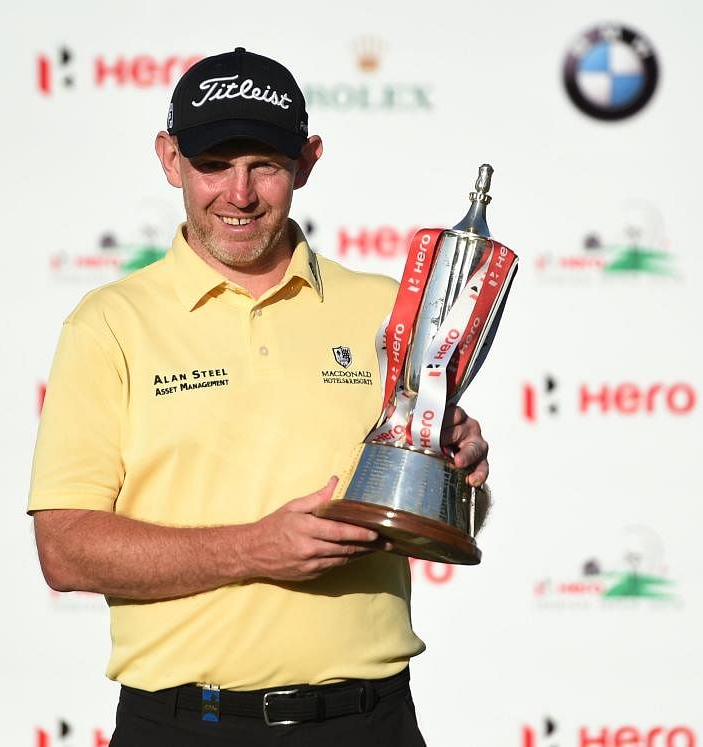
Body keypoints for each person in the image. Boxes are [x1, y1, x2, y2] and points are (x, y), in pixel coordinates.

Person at [28, 47, 489, 747]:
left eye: (265, 166)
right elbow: (65, 550)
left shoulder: (389, 311)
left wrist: (455, 473)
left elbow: (446, 521)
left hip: (369, 724)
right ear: (170, 158)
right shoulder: (108, 323)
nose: (238, 195)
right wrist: (254, 548)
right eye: (215, 163)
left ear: (306, 161)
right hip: (184, 725)